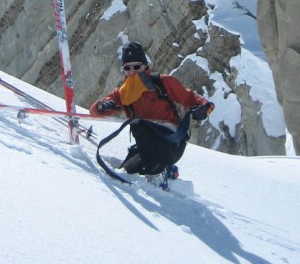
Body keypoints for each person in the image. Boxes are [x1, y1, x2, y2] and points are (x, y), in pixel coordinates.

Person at [90, 41, 214, 177]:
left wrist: (204, 106)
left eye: (136, 67)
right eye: (127, 68)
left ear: (144, 66)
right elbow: (94, 112)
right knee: (127, 170)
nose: (131, 72)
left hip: (171, 142)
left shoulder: (162, 82)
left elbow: (189, 97)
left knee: (139, 125)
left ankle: (157, 172)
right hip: (147, 148)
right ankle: (164, 172)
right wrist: (102, 106)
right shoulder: (122, 94)